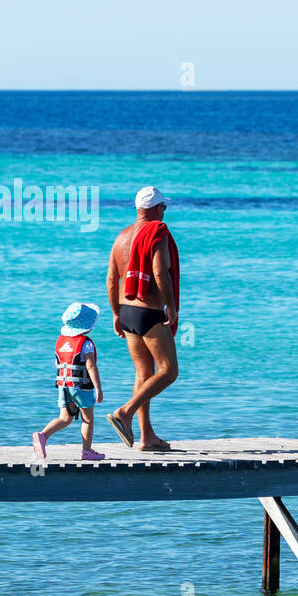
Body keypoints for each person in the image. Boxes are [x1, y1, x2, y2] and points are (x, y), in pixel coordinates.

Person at [104, 186, 180, 450]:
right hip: (150, 311)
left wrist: (115, 313)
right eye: (164, 208)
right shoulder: (158, 231)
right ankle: (124, 412)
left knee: (143, 373)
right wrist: (171, 307)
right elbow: (160, 272)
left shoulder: (121, 236)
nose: (164, 213)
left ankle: (146, 437)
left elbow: (112, 280)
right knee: (169, 371)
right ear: (157, 208)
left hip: (127, 311)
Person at [33, 302, 106, 461]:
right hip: (82, 387)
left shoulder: (61, 341)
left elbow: (57, 364)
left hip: (63, 385)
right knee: (88, 419)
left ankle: (43, 435)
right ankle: (87, 451)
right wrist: (99, 389)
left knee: (65, 418)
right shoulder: (85, 343)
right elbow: (91, 367)